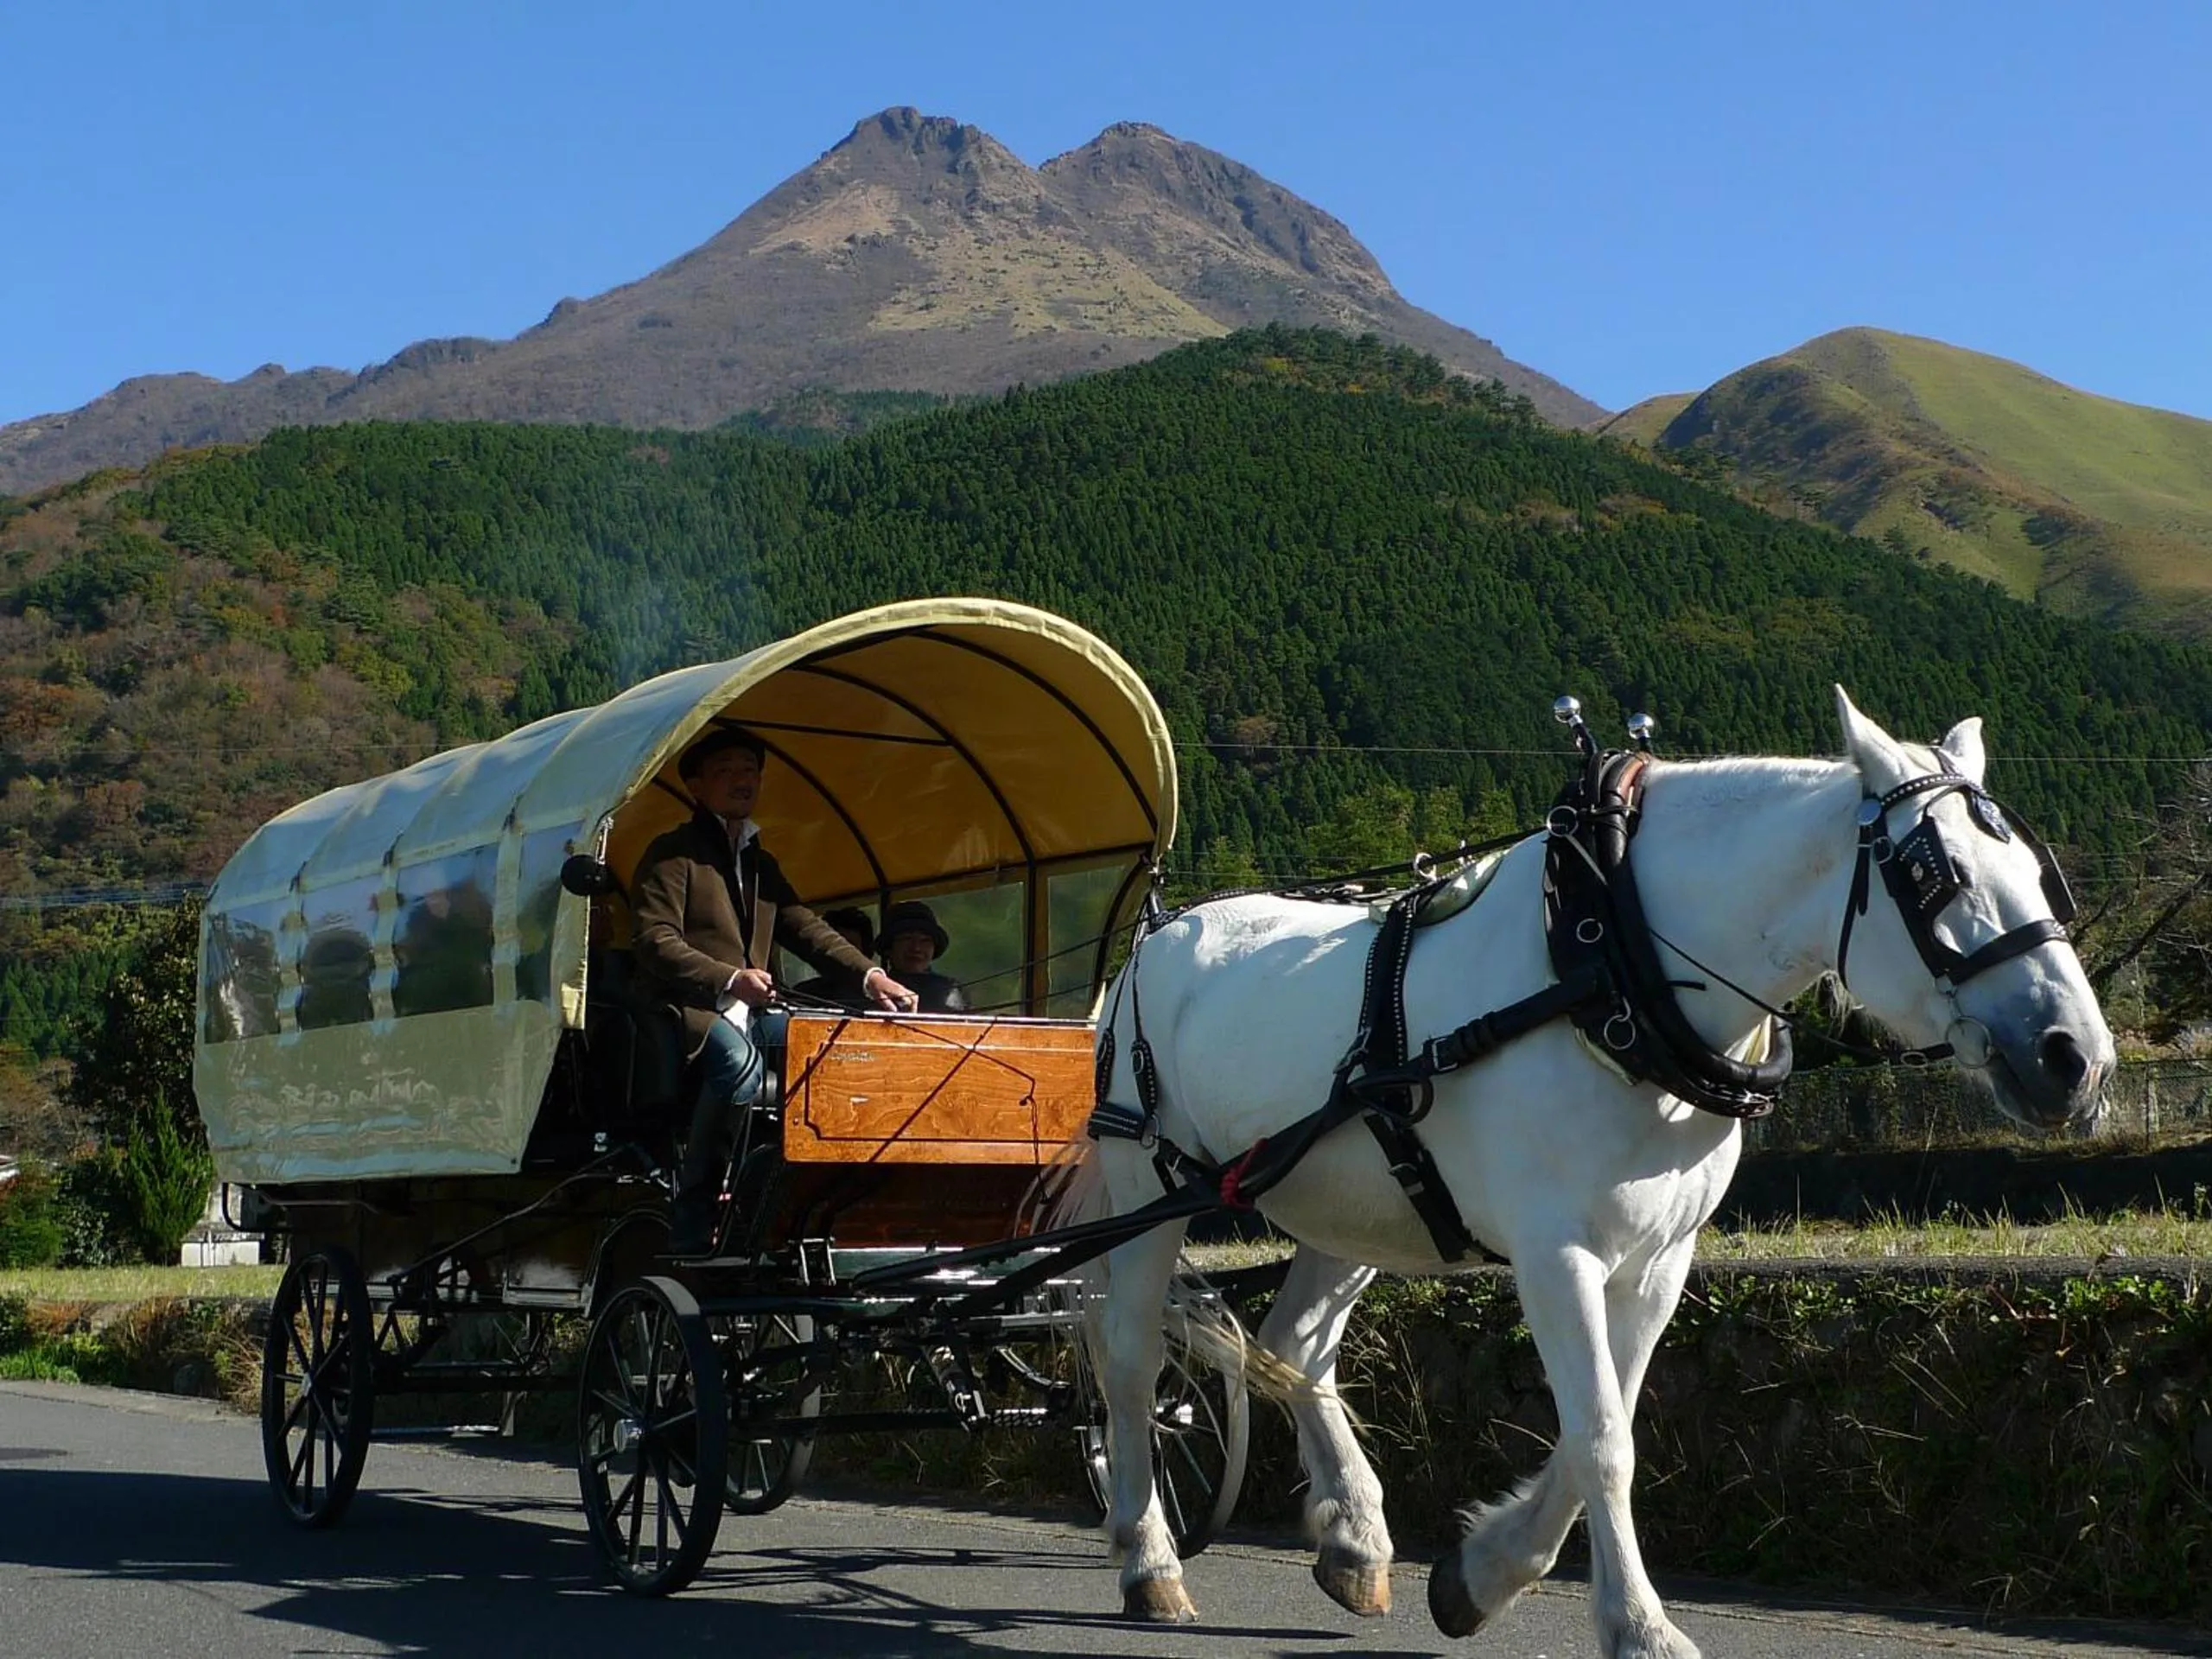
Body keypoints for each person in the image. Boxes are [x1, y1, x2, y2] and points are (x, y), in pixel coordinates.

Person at [631, 727, 919, 1254]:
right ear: (696, 786)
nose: (742, 780)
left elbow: (806, 929)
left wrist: (871, 977)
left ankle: (803, 1202)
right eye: (726, 771)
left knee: (839, 1049)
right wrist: (729, 977)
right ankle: (697, 1216)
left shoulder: (760, 864)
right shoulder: (673, 855)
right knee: (739, 1072)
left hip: (755, 1010)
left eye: (749, 770)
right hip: (690, 1010)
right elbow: (654, 942)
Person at [879, 899, 969, 1014]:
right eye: (907, 939)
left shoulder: (951, 990)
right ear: (888, 948)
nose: (916, 948)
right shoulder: (874, 989)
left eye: (925, 941)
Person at [792, 906, 877, 1008]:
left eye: (849, 950)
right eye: (834, 950)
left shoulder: (880, 998)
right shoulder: (802, 996)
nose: (841, 957)